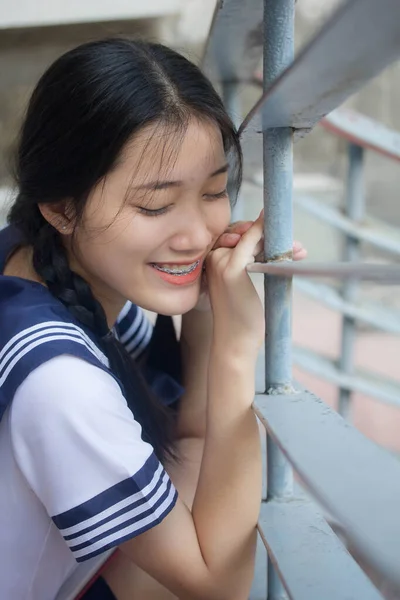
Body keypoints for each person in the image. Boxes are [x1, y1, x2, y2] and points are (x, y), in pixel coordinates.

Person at [0, 38, 306, 600]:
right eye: (155, 206)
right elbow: (218, 586)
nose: (196, 236)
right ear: (61, 206)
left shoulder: (31, 257)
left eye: (215, 191)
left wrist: (210, 303)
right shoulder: (59, 383)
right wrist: (237, 352)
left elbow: (187, 435)